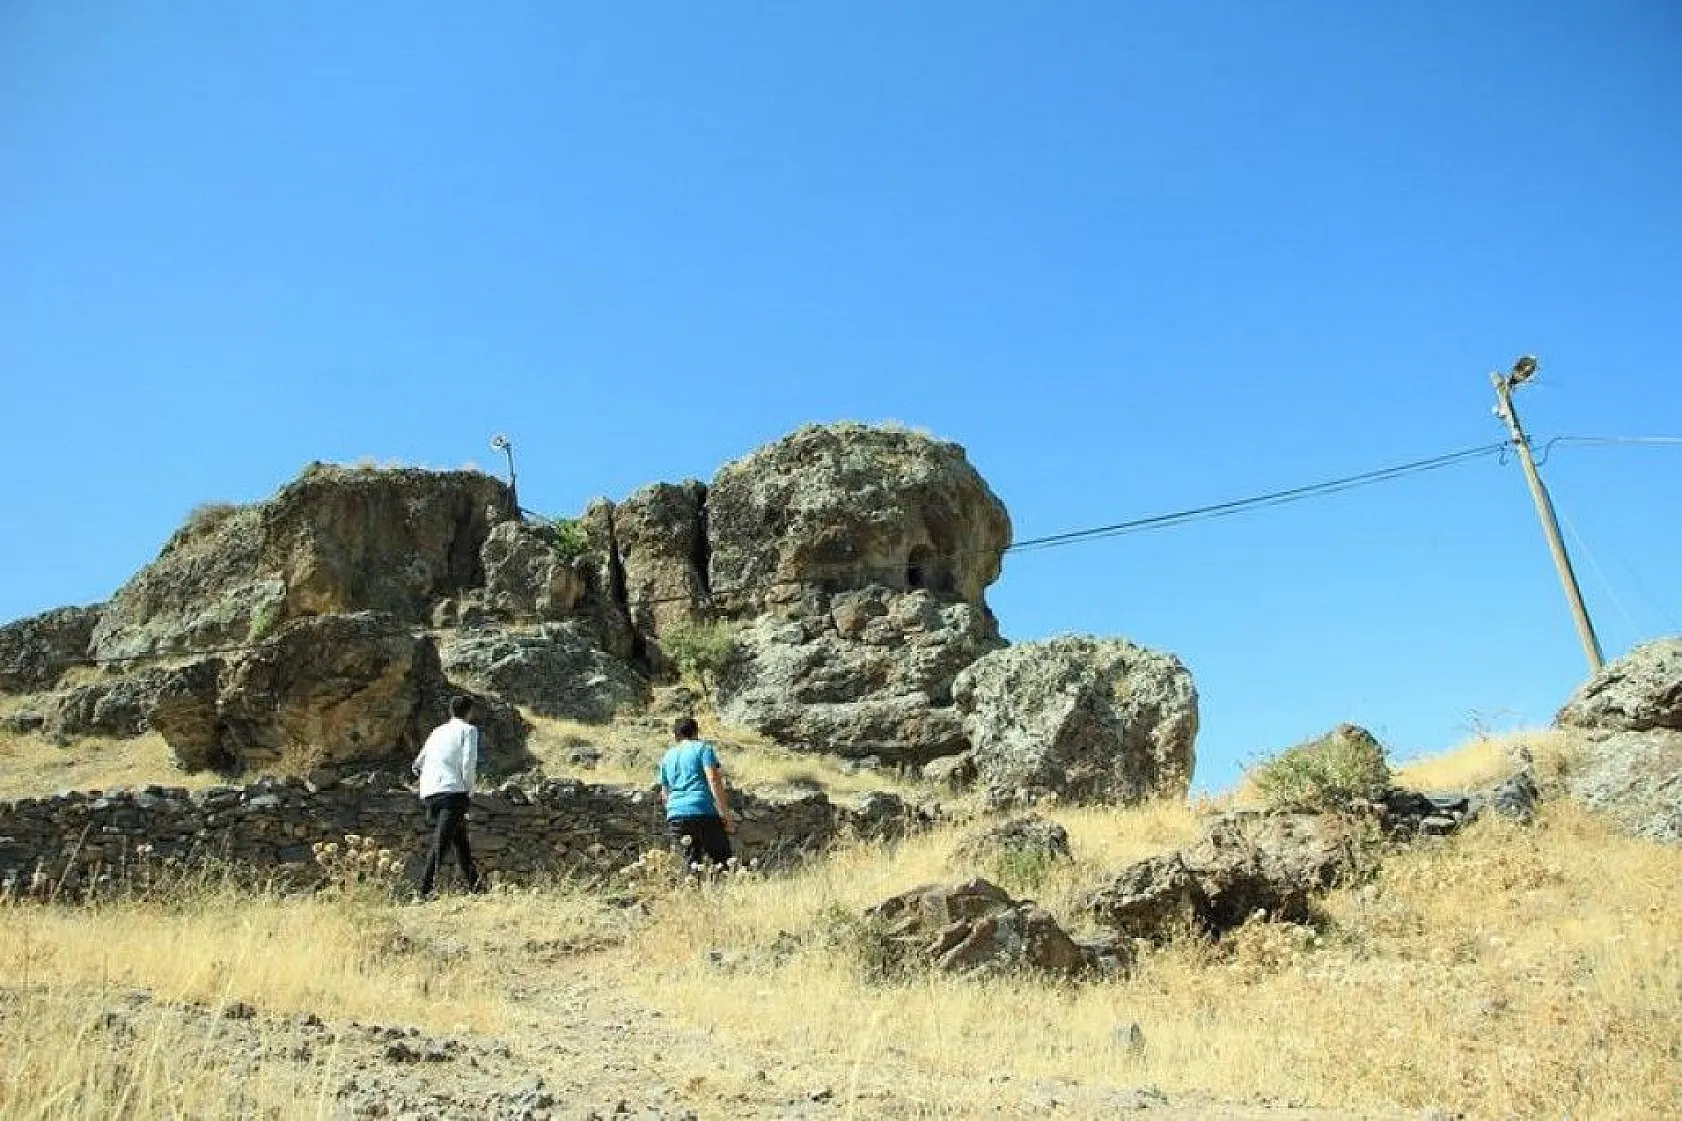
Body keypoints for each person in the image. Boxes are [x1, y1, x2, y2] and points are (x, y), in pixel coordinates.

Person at [411, 694, 484, 897]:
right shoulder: (469, 730)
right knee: (441, 844)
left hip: (430, 792)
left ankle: (477, 888)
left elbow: (417, 764)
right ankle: (423, 892)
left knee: (460, 842)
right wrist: (468, 790)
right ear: (469, 712)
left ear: (450, 711)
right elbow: (469, 764)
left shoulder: (437, 732)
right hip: (453, 792)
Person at [656, 716, 735, 870]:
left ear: (676, 735)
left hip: (676, 814)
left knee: (690, 864)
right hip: (702, 810)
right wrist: (725, 815)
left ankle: (693, 892)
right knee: (723, 863)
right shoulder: (703, 749)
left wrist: (673, 811)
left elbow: (665, 794)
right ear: (695, 732)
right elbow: (713, 778)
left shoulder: (667, 756)